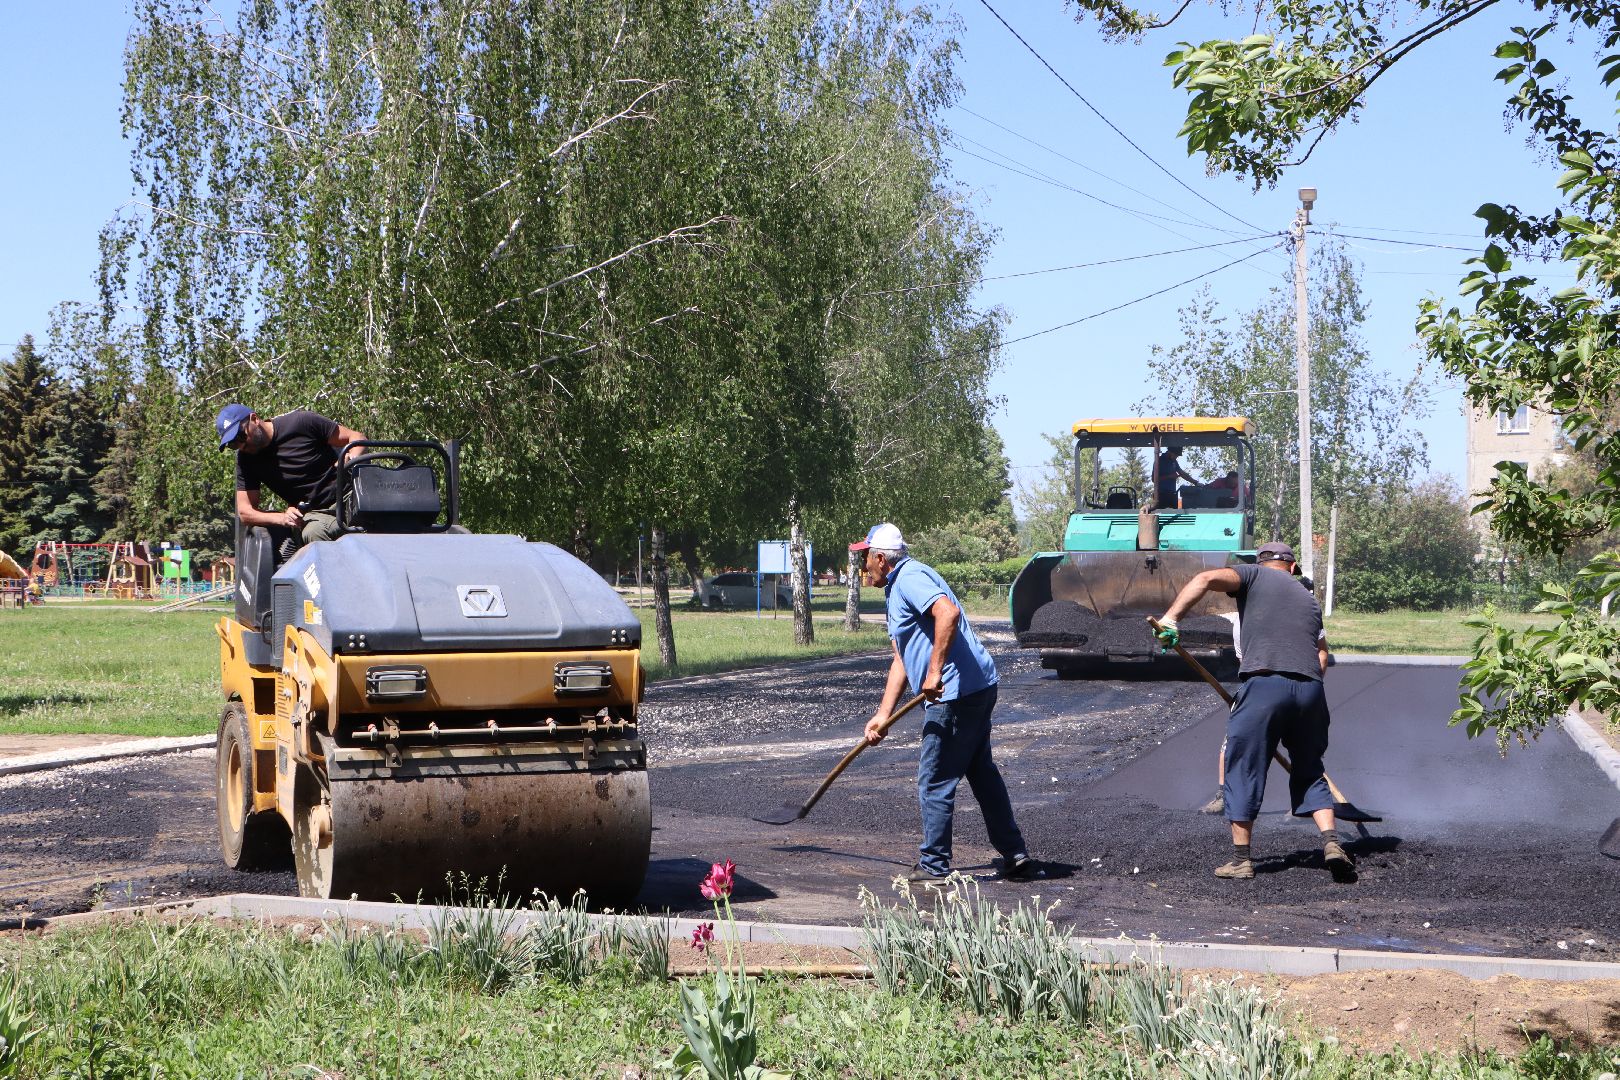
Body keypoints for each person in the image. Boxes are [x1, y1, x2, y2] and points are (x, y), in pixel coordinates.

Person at [1154, 540, 1354, 881]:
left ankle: (1241, 860)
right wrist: (1298, 691)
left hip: (1264, 686)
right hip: (1310, 691)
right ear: (1292, 568)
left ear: (1259, 563)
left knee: (1243, 766)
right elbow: (1322, 656)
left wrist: (1171, 619)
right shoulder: (1308, 599)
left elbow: (1203, 579)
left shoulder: (1252, 576)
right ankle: (1332, 843)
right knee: (1309, 768)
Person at [854, 522, 1040, 884]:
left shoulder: (909, 579)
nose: (863, 568)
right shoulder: (899, 586)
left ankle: (934, 865)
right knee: (981, 773)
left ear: (880, 558)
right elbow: (902, 660)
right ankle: (1014, 854)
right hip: (977, 686)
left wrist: (935, 672)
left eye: (865, 559)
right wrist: (883, 715)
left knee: (935, 779)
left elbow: (948, 613)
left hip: (956, 694)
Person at [215, 404, 366, 551]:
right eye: (233, 445)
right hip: (316, 513)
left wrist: (350, 456)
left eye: (241, 436)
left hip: (350, 496)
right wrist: (282, 518)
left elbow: (357, 437)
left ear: (254, 419)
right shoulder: (246, 461)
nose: (241, 446)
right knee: (314, 533)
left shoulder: (301, 422)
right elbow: (245, 512)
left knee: (382, 513)